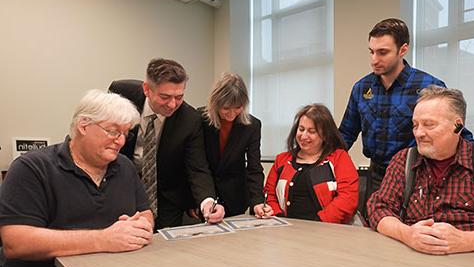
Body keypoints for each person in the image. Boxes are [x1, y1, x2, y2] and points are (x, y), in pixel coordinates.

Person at [0, 90, 154, 267]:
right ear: (84, 125)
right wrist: (104, 239)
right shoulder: (31, 168)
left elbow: (145, 213)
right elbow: (16, 242)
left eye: (125, 133)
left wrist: (142, 226)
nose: (121, 141)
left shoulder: (124, 167)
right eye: (113, 131)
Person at [367, 86, 474, 254]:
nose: (418, 133)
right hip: (414, 263)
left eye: (429, 125)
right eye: (415, 125)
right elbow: (378, 208)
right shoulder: (403, 160)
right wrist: (407, 234)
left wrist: (466, 241)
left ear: (457, 126)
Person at [338, 18, 474, 217]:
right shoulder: (362, 88)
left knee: (414, 231)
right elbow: (346, 134)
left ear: (403, 50)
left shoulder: (429, 86)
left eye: (382, 52)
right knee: (376, 229)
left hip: (418, 174)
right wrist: (321, 163)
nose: (374, 59)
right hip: (377, 174)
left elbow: (458, 134)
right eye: (371, 51)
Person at [109, 58, 225, 229]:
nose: (172, 104)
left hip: (165, 197)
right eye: (165, 97)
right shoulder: (121, 94)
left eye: (179, 97)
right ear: (147, 89)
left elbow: (197, 167)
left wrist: (207, 202)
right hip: (121, 188)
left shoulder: (190, 119)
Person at [255, 104, 359, 223]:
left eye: (312, 131)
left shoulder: (339, 158)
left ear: (325, 135)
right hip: (285, 230)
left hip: (327, 230)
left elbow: (348, 199)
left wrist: (319, 222)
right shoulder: (282, 160)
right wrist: (276, 214)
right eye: (301, 129)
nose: (304, 136)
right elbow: (270, 195)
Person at [200, 72, 265, 216]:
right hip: (205, 195)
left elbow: (254, 168)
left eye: (238, 107)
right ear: (215, 103)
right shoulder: (200, 120)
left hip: (235, 197)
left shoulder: (252, 125)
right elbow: (196, 165)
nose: (232, 113)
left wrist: (257, 201)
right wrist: (199, 200)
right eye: (226, 108)